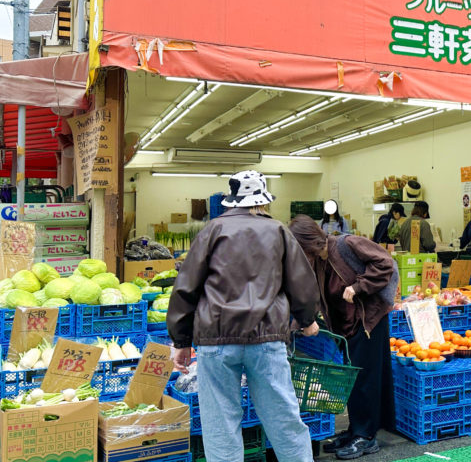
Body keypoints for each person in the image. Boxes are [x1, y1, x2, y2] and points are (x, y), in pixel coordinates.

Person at [167, 171, 320, 462]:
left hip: (216, 340)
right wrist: (308, 318)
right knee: (283, 419)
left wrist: (181, 340)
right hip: (267, 338)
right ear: (263, 201)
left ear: (231, 200)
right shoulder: (278, 231)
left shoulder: (211, 231)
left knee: (221, 423)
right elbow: (301, 281)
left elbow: (186, 288)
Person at [289, 215, 396, 460]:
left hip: (368, 319)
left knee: (365, 378)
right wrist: (299, 323)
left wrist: (359, 286)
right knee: (352, 378)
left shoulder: (347, 244)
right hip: (345, 326)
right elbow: (313, 294)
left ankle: (367, 437)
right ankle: (355, 430)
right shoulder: (318, 261)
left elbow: (385, 263)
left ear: (309, 242)